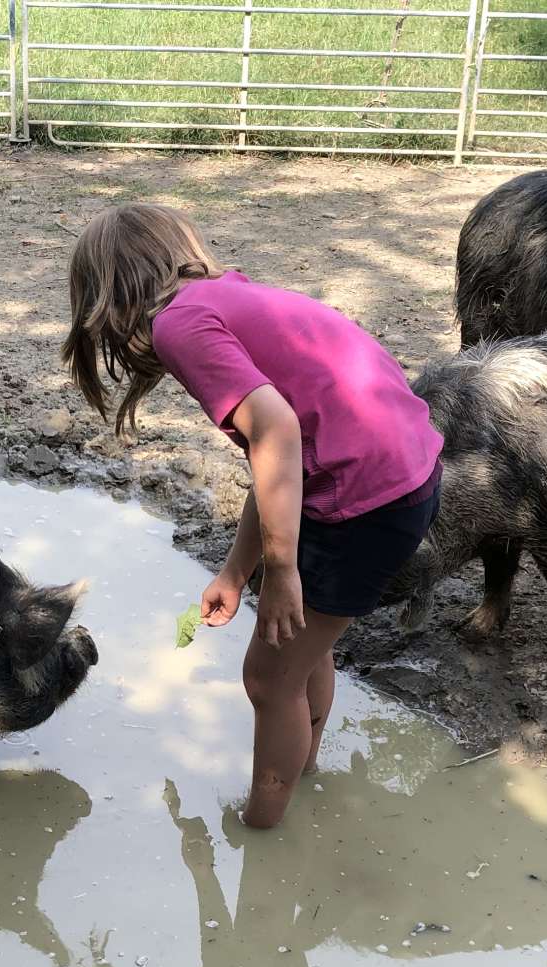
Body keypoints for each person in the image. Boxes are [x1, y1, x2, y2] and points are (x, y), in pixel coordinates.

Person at [62, 204, 443, 828]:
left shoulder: (178, 326)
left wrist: (282, 571)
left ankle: (262, 828)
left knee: (268, 679)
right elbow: (276, 462)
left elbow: (277, 431)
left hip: (365, 495)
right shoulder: (223, 296)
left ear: (106, 295)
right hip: (401, 474)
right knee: (301, 651)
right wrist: (237, 573)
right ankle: (303, 770)